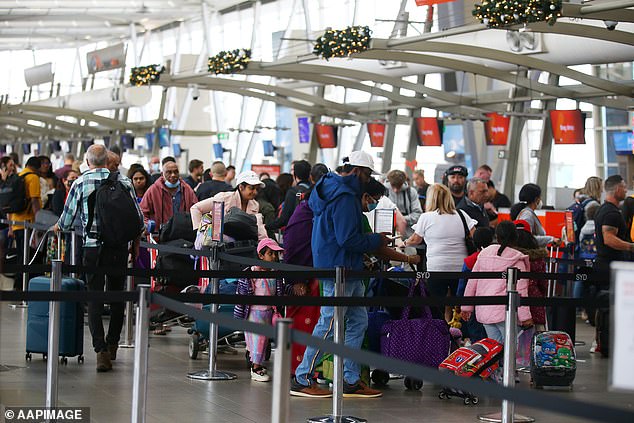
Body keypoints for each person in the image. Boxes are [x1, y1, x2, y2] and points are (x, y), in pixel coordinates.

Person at [291, 151, 389, 398]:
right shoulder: (344, 197)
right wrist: (377, 239)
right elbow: (348, 238)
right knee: (329, 322)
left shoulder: (327, 188)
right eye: (367, 175)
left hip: (343, 266)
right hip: (340, 268)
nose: (368, 180)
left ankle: (350, 379)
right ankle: (303, 377)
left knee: (358, 321)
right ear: (357, 171)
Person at [53, 144, 143, 372]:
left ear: (87, 160)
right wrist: (133, 243)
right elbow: (138, 220)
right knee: (116, 296)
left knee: (94, 297)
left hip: (93, 247)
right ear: (107, 160)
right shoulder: (123, 182)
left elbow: (65, 221)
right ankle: (113, 344)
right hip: (119, 248)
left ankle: (100, 350)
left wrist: (56, 227)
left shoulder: (80, 182)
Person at [405, 183, 476, 318]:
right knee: (460, 305)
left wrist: (403, 243)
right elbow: (475, 236)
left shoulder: (426, 217)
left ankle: (439, 335)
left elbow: (415, 240)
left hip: (436, 269)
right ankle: (461, 335)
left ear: (431, 199)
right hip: (460, 268)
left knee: (436, 307)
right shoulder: (462, 215)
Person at [461, 221, 533, 343]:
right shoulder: (517, 260)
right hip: (506, 313)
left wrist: (466, 307)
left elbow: (472, 282)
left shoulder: (484, 254)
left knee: (495, 349)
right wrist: (525, 317)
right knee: (511, 350)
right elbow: (521, 291)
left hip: (484, 310)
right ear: (515, 237)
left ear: (497, 236)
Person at [234, 238, 284, 382]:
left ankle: (257, 363)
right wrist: (239, 316)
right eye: (270, 253)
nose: (274, 257)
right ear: (261, 256)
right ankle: (256, 368)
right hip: (254, 314)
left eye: (276, 254)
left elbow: (281, 289)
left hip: (269, 312)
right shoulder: (251, 273)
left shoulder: (276, 273)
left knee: (262, 341)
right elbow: (241, 295)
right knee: (259, 340)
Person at [190, 170, 267, 240]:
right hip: (216, 245)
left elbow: (258, 227)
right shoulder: (224, 198)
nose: (255, 192)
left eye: (257, 189)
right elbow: (196, 208)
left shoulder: (255, 205)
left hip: (239, 246)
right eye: (251, 188)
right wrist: (199, 233)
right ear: (241, 187)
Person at [8, 156, 41, 286]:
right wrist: (39, 221)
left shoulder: (18, 176)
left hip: (16, 223)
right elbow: (34, 200)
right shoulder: (33, 177)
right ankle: (24, 285)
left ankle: (18, 284)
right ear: (36, 168)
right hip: (28, 223)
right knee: (29, 256)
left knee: (21, 255)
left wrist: (11, 226)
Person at [456, 227, 493, 343]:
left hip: (472, 305)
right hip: (492, 304)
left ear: (474, 242)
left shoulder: (469, 261)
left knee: (476, 337)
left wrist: (459, 302)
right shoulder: (496, 258)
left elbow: (462, 286)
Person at [140, 159, 198, 229]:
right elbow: (142, 213)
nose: (173, 175)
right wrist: (149, 226)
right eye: (169, 172)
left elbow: (196, 209)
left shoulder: (187, 189)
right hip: (159, 235)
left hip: (183, 233)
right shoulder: (153, 190)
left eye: (176, 172)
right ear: (162, 174)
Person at [594, 175, 634, 273]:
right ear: (617, 189)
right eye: (624, 187)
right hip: (609, 267)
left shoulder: (602, 209)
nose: (626, 190)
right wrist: (631, 247)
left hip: (605, 263)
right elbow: (609, 239)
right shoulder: (611, 213)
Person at [514, 220, 548, 332]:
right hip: (535, 299)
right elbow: (543, 283)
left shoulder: (511, 257)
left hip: (512, 300)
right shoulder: (538, 258)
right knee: (538, 336)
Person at [266, 160, 311, 232]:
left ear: (295, 175)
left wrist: (266, 226)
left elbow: (284, 219)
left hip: (296, 232)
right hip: (312, 232)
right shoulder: (315, 190)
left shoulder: (293, 192)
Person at [510, 183, 557, 247]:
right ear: (536, 199)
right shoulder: (527, 215)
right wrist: (550, 239)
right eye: (540, 197)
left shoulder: (526, 213)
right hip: (531, 255)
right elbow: (526, 238)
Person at [384, 169, 422, 237]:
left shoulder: (411, 192)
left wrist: (401, 220)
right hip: (386, 234)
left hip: (408, 236)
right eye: (393, 186)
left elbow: (418, 214)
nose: (395, 190)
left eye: (398, 186)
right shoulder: (383, 191)